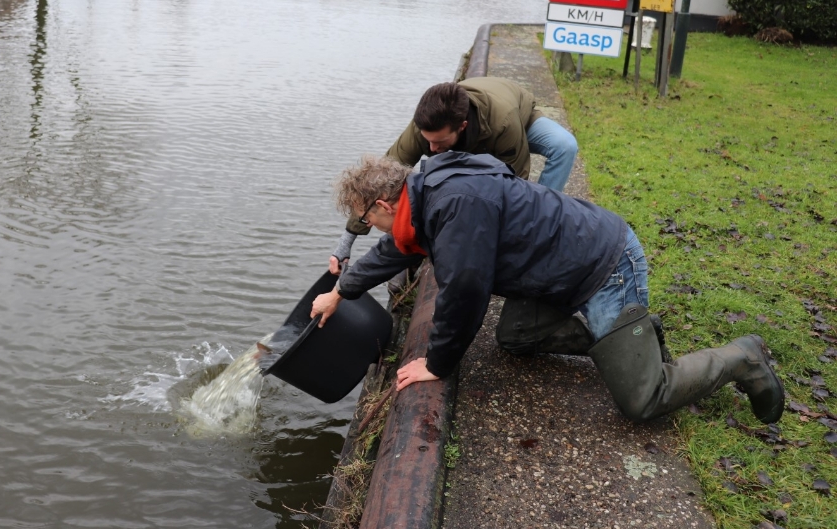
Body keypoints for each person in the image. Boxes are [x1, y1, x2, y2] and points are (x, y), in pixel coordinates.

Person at [310, 153, 784, 424]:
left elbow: (466, 291)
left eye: (368, 220)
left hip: (604, 266)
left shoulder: (453, 206)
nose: (372, 229)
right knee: (514, 338)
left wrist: (436, 363)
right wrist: (342, 291)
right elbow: (400, 248)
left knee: (645, 399)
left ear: (381, 204)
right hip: (558, 269)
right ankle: (633, 335)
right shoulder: (428, 193)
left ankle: (742, 357)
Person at [328, 77, 578, 276]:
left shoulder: (504, 124)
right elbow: (377, 182)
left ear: (462, 126)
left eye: (439, 142)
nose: (432, 149)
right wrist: (347, 240)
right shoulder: (425, 130)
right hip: (474, 127)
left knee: (565, 146)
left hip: (517, 115)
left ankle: (544, 218)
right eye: (428, 141)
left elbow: (515, 185)